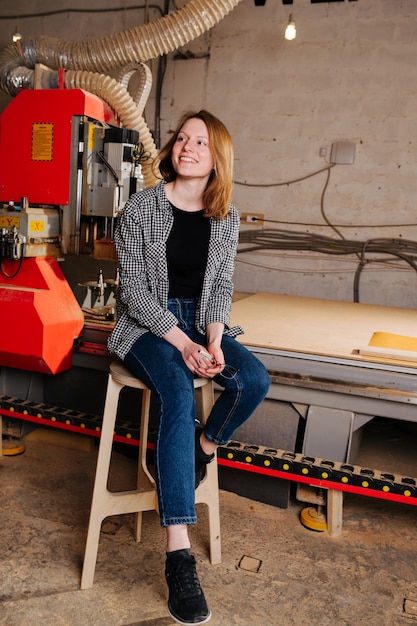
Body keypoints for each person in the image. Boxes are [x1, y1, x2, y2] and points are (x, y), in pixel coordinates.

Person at [108, 110, 270, 625]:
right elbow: (134, 295)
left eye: (200, 141)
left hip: (201, 324)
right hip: (147, 326)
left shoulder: (225, 216)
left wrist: (216, 341)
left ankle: (200, 448)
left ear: (216, 156)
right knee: (177, 390)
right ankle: (179, 555)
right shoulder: (141, 209)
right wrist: (182, 344)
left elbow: (219, 290)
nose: (187, 147)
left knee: (254, 380)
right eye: (182, 138)